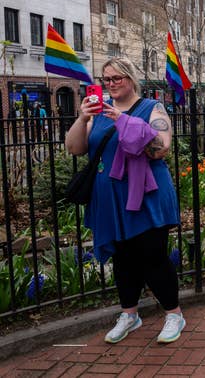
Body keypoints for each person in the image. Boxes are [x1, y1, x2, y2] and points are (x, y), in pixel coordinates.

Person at [65, 57, 185, 344]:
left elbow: (161, 148)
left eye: (116, 78)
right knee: (122, 258)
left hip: (147, 195)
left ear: (131, 78)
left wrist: (124, 121)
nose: (111, 84)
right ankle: (130, 315)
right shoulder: (99, 113)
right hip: (110, 198)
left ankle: (174, 314)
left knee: (152, 255)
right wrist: (83, 118)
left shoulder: (151, 108)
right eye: (106, 79)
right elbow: (74, 147)